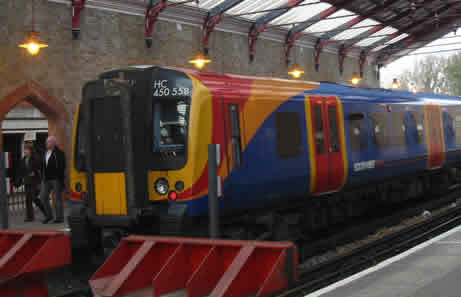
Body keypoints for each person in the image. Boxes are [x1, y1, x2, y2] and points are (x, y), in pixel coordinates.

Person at [15, 142, 47, 222]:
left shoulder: (35, 158)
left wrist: (35, 172)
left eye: (27, 150)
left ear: (30, 150)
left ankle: (47, 213)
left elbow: (40, 167)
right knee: (28, 199)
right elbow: (21, 171)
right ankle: (30, 217)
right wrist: (19, 180)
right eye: (24, 150)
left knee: (34, 198)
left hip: (35, 182)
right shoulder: (23, 159)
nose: (25, 151)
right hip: (27, 181)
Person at [40, 136, 66, 224]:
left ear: (53, 143)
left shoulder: (59, 153)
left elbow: (62, 166)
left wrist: (60, 178)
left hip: (56, 179)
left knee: (56, 199)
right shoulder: (45, 153)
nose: (47, 144)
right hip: (45, 179)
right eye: (47, 142)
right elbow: (42, 165)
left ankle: (59, 217)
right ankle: (49, 215)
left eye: (49, 142)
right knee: (43, 197)